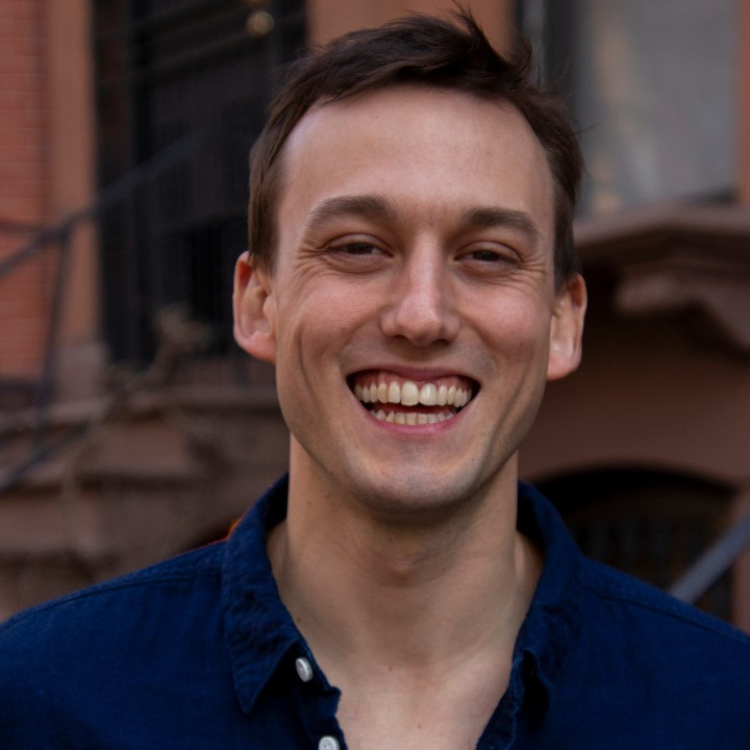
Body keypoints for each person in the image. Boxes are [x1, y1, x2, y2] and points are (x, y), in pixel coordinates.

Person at [1, 10, 749, 749]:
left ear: (563, 323)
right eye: (359, 247)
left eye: (487, 254)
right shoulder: (40, 702)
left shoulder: (722, 709)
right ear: (258, 303)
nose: (422, 315)